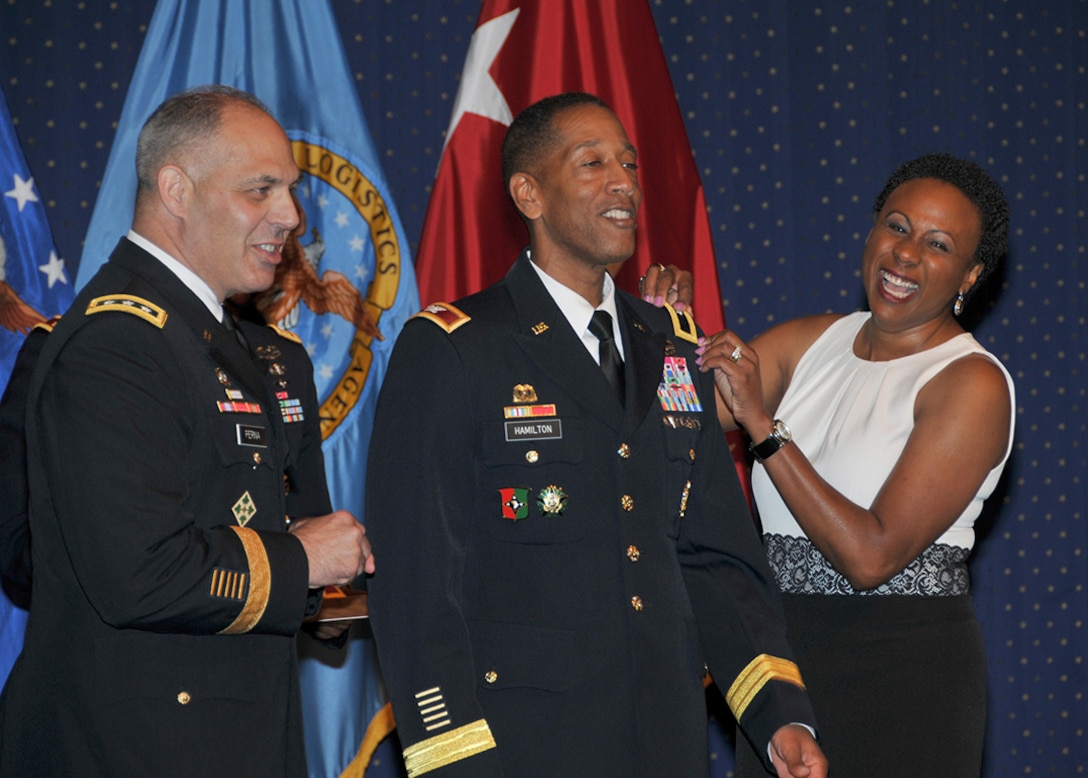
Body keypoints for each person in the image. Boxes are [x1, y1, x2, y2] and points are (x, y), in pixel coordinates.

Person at [365, 92, 826, 778]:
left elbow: (717, 561)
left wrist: (778, 716)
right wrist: (451, 756)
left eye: (630, 165)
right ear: (529, 193)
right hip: (522, 748)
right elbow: (418, 582)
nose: (625, 184)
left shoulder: (672, 346)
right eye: (593, 163)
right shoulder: (455, 348)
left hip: (666, 739)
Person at [0, 85, 373, 777]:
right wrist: (303, 563)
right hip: (132, 746)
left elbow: (285, 523)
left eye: (289, 190)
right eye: (260, 189)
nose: (290, 215)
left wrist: (339, 587)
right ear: (176, 188)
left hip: (236, 732)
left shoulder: (254, 350)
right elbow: (132, 574)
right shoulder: (118, 340)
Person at [696, 152, 1014, 777]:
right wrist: (663, 328)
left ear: (970, 274)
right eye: (896, 227)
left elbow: (871, 556)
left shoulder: (972, 383)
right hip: (781, 669)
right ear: (871, 232)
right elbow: (669, 426)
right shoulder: (810, 341)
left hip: (901, 670)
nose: (905, 254)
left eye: (938, 244)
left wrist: (763, 426)